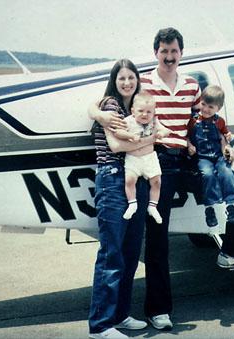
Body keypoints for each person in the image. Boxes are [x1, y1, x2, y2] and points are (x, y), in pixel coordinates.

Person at [140, 27, 234, 330]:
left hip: (191, 160)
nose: (169, 57)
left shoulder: (192, 85)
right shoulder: (144, 83)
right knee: (157, 239)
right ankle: (158, 310)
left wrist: (225, 146)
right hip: (158, 163)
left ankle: (232, 253)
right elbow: (132, 116)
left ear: (181, 53)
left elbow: (207, 121)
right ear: (155, 52)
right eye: (164, 51)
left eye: (174, 51)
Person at [87, 59, 157, 339]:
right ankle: (101, 326)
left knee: (129, 253)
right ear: (114, 81)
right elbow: (116, 145)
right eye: (121, 78)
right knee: (112, 254)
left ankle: (120, 315)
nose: (127, 82)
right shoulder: (111, 106)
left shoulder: (134, 109)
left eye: (131, 78)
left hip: (133, 180)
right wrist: (150, 141)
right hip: (114, 179)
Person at [187, 85, 234, 234]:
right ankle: (209, 207)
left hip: (217, 156)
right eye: (203, 104)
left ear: (218, 108)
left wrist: (229, 141)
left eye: (210, 107)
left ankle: (230, 205)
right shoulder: (194, 121)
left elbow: (225, 135)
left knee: (226, 172)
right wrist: (189, 144)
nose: (205, 109)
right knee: (207, 175)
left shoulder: (219, 122)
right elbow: (186, 135)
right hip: (203, 157)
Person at [113, 91, 170, 224]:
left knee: (156, 182)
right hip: (133, 158)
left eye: (149, 112)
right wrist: (130, 136)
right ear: (133, 111)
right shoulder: (128, 121)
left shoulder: (155, 121)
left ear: (154, 112)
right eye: (141, 111)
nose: (145, 114)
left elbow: (166, 130)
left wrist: (162, 133)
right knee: (129, 180)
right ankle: (132, 203)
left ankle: (152, 206)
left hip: (149, 158)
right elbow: (118, 132)